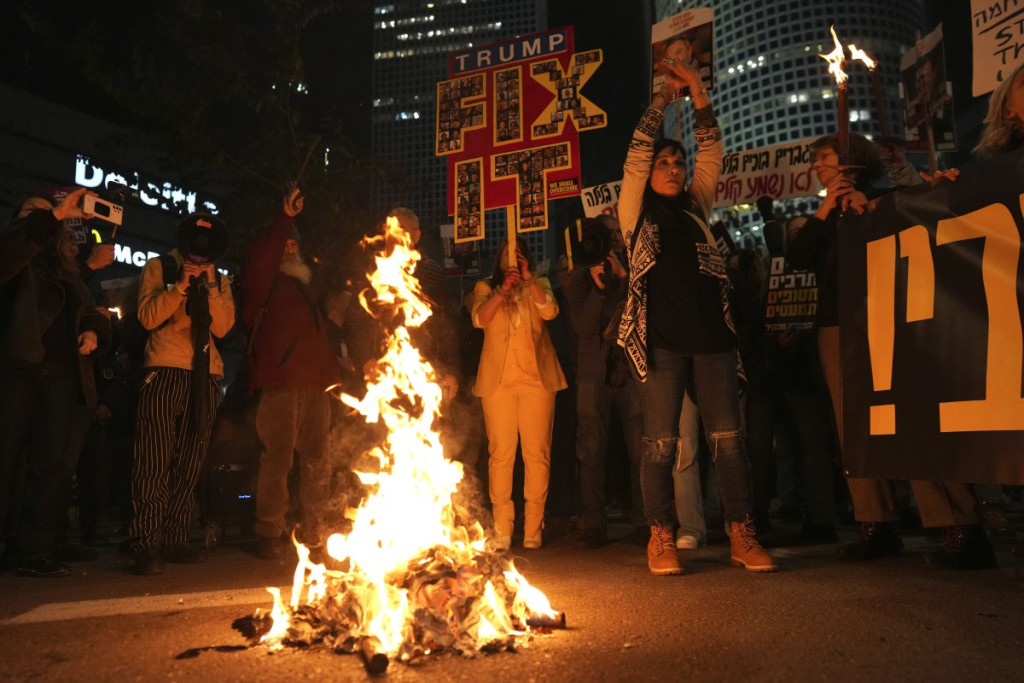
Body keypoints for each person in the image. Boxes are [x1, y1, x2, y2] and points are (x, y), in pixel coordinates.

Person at [786, 133, 995, 570]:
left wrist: (878, 208)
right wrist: (826, 211)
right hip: (837, 325)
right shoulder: (824, 216)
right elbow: (799, 258)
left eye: (824, 158)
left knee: (912, 419)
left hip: (891, 321)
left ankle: (958, 524)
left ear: (850, 161)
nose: (817, 167)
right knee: (853, 427)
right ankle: (875, 521)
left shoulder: (888, 198)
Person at [617, 59, 775, 575]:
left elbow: (712, 150)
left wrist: (699, 93)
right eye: (664, 163)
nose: (673, 169)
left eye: (678, 163)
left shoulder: (697, 208)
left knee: (728, 442)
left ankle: (741, 533)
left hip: (714, 344)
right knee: (661, 444)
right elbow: (636, 155)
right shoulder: (635, 213)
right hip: (661, 345)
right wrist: (663, 98)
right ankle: (661, 536)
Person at [0, 188, 111, 577]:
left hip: (61, 375)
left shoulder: (65, 267)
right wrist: (52, 215)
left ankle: (36, 549)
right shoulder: (14, 252)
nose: (45, 216)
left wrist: (94, 331)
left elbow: (89, 309)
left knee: (49, 465)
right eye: (33, 211)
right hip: (15, 367)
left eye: (49, 213)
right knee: (6, 458)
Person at [128, 213, 235, 575]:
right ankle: (146, 543)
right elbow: (147, 317)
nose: (201, 252)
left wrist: (210, 284)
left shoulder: (220, 279)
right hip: (164, 368)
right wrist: (179, 288)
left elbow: (224, 327)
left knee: (190, 460)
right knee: (154, 459)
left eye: (208, 247)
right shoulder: (160, 267)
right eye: (196, 244)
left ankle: (175, 538)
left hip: (206, 372)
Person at [243, 186, 342, 560]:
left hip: (315, 384)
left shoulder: (304, 289)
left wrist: (334, 373)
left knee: (319, 460)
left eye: (292, 243)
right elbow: (263, 257)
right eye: (283, 242)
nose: (288, 248)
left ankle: (316, 531)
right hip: (281, 381)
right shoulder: (263, 281)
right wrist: (284, 219)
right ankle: (269, 530)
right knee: (278, 457)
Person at [471, 237, 566, 550]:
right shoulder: (486, 287)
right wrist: (502, 291)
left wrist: (529, 281)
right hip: (498, 385)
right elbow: (479, 319)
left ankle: (533, 526)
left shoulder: (540, 284)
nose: (512, 259)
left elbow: (550, 311)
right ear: (498, 259)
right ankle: (503, 526)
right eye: (507, 254)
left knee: (537, 454)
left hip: (537, 382)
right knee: (501, 455)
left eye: (519, 254)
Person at [564, 216, 642, 548]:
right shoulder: (579, 278)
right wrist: (598, 289)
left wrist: (624, 278)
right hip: (594, 373)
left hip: (630, 369)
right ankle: (594, 524)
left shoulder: (633, 272)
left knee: (640, 448)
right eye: (606, 234)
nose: (613, 239)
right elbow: (584, 328)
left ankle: (646, 521)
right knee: (591, 450)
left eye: (616, 233)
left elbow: (642, 313)